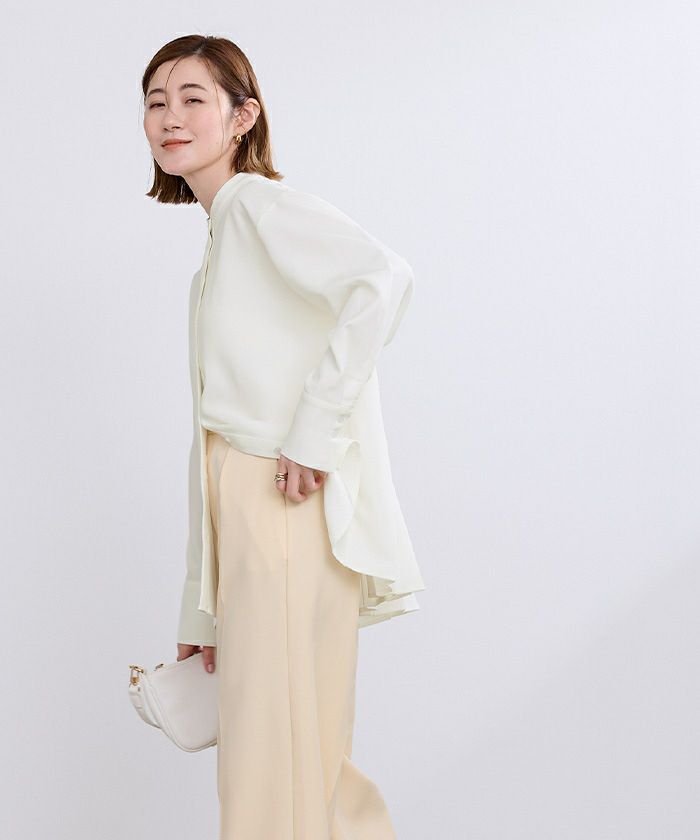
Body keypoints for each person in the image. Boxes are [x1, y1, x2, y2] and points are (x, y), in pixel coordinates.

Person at [142, 33, 426, 840]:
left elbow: (382, 279)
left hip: (278, 497)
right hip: (251, 502)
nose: (169, 117)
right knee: (294, 745)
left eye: (193, 98)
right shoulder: (223, 236)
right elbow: (210, 443)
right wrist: (201, 608)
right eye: (156, 102)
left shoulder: (256, 206)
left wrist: (312, 430)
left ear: (243, 117)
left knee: (274, 752)